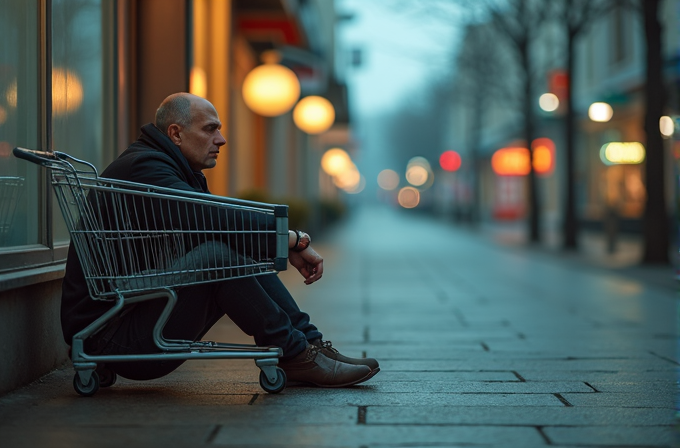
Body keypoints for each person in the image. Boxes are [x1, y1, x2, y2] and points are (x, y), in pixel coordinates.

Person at [61, 92, 379, 387]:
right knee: (218, 256)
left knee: (228, 250)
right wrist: (291, 239)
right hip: (112, 336)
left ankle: (309, 345)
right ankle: (294, 354)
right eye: (210, 129)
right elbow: (214, 220)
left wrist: (285, 244)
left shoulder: (171, 168)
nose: (221, 139)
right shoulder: (145, 167)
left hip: (134, 315)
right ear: (175, 134)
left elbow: (221, 227)